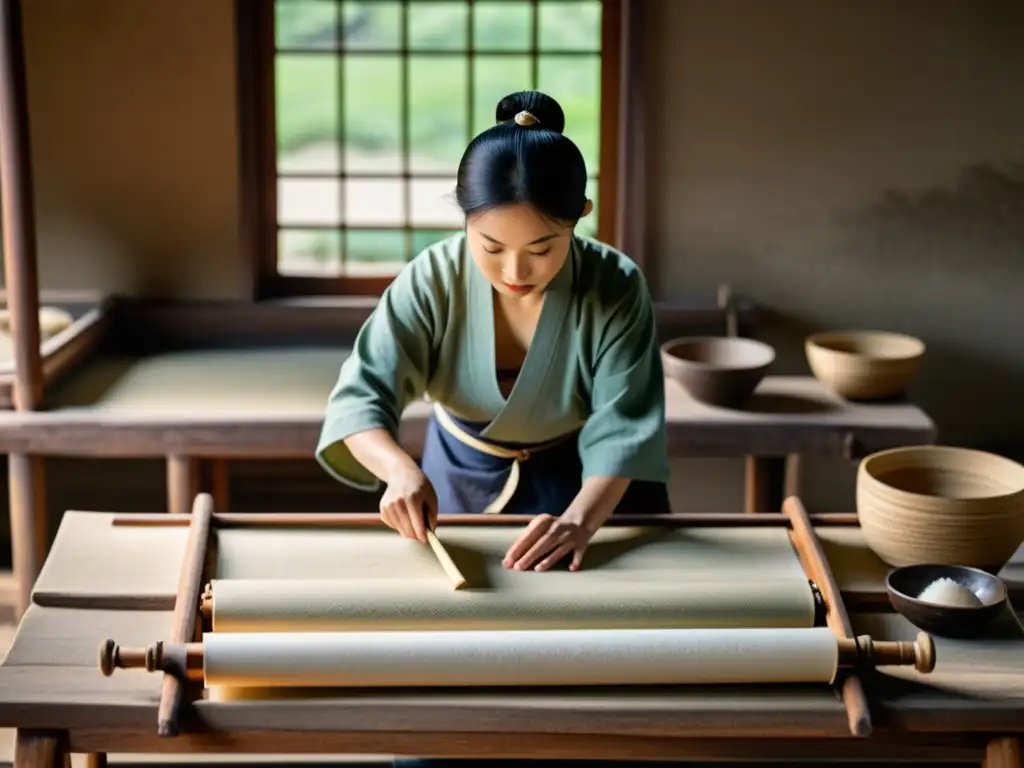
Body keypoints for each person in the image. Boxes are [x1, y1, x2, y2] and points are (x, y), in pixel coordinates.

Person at [315, 89, 671, 574]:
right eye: (491, 245)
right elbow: (360, 399)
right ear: (464, 217)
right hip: (459, 478)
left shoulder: (615, 285)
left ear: (579, 216)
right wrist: (399, 471)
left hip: (593, 489)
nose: (516, 269)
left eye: (543, 249)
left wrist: (581, 522)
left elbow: (624, 429)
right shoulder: (432, 279)